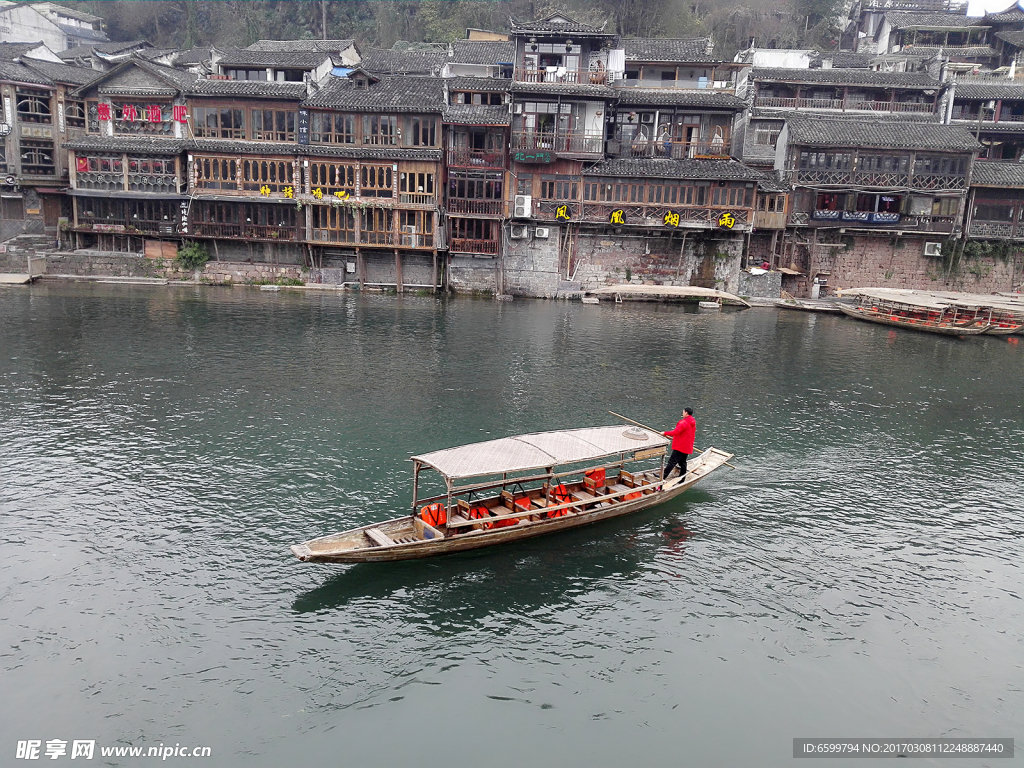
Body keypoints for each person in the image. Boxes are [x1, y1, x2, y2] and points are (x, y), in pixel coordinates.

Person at [662, 407, 696, 480]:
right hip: (687, 446)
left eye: (683, 412)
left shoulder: (683, 422)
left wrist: (665, 433)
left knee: (672, 462)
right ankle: (682, 478)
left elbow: (675, 432)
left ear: (686, 413)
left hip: (680, 446)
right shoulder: (692, 421)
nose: (682, 413)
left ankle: (663, 477)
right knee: (682, 462)